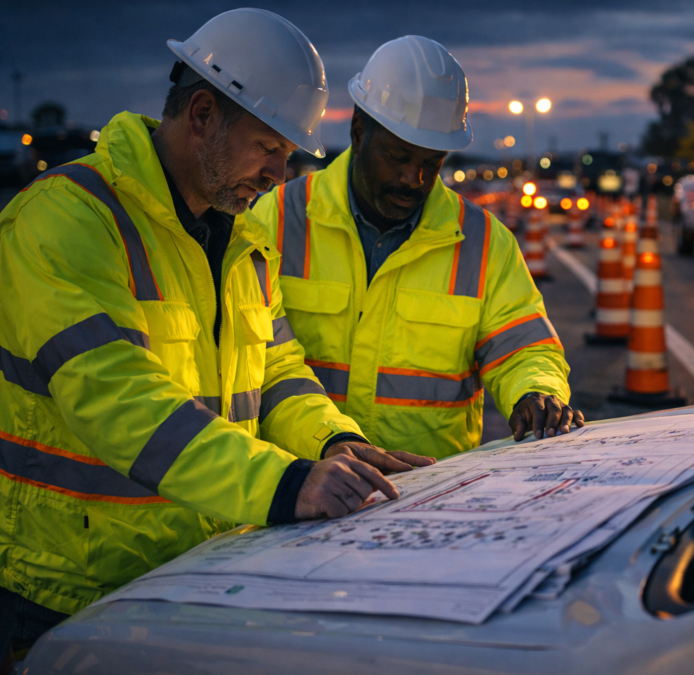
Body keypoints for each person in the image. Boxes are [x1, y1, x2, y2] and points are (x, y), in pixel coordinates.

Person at [0, 10, 431, 665]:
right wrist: (285, 485)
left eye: (289, 156)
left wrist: (335, 440)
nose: (279, 176)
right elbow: (117, 399)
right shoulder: (66, 219)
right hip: (65, 590)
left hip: (195, 571)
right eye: (268, 147)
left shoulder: (244, 238)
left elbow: (278, 369)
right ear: (202, 113)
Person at [248, 36, 584, 459]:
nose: (415, 179)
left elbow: (524, 346)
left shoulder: (481, 242)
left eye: (431, 163)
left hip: (427, 498)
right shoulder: (278, 219)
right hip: (300, 493)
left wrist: (536, 391)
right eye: (399, 157)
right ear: (358, 132)